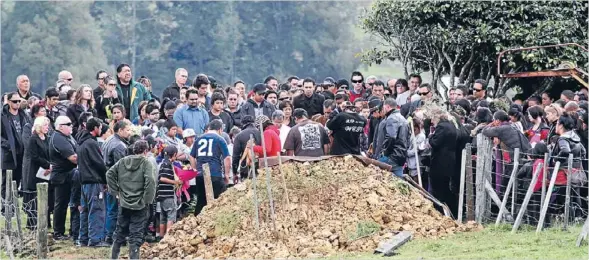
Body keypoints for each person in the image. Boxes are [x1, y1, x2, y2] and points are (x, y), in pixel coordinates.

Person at [106, 140, 156, 259]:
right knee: (136, 235)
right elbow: (151, 181)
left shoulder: (123, 161)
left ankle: (114, 257)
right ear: (145, 151)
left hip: (124, 202)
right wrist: (147, 199)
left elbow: (109, 174)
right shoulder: (146, 163)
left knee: (119, 232)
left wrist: (116, 191)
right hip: (140, 204)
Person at [76, 118, 110, 247]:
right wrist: (106, 180)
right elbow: (99, 164)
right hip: (94, 181)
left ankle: (83, 238)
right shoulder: (91, 143)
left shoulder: (81, 142)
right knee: (96, 210)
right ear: (95, 128)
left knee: (85, 211)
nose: (101, 130)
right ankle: (95, 240)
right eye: (100, 127)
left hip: (84, 181)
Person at [189, 120, 231, 215]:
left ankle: (197, 224)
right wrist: (227, 174)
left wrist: (195, 169)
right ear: (220, 130)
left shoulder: (199, 139)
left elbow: (191, 156)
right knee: (220, 201)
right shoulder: (220, 139)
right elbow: (227, 158)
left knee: (201, 201)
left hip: (200, 175)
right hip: (214, 173)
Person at [102, 119, 132, 244]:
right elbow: (122, 167)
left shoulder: (108, 140)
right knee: (115, 209)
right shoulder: (119, 145)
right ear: (120, 130)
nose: (130, 133)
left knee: (110, 208)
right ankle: (112, 236)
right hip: (116, 181)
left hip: (108, 178)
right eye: (128, 130)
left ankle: (109, 234)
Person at [48, 116, 78, 240]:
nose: (71, 126)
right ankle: (58, 232)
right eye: (68, 124)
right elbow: (73, 157)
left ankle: (64, 230)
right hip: (61, 175)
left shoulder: (66, 136)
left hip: (68, 174)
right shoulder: (59, 138)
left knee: (64, 203)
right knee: (61, 204)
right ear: (60, 126)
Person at [22, 116, 51, 230]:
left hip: (46, 171)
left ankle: (46, 222)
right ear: (39, 126)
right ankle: (33, 223)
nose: (47, 127)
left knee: (46, 197)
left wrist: (49, 166)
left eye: (47, 125)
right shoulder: (33, 139)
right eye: (45, 125)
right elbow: (34, 156)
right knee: (34, 196)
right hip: (35, 171)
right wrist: (47, 165)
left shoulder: (47, 138)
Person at [157, 146, 182, 238]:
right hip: (168, 195)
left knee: (163, 217)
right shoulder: (167, 164)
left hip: (161, 195)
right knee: (171, 216)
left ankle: (161, 236)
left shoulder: (163, 163)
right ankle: (168, 237)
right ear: (174, 155)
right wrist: (176, 182)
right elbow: (163, 178)